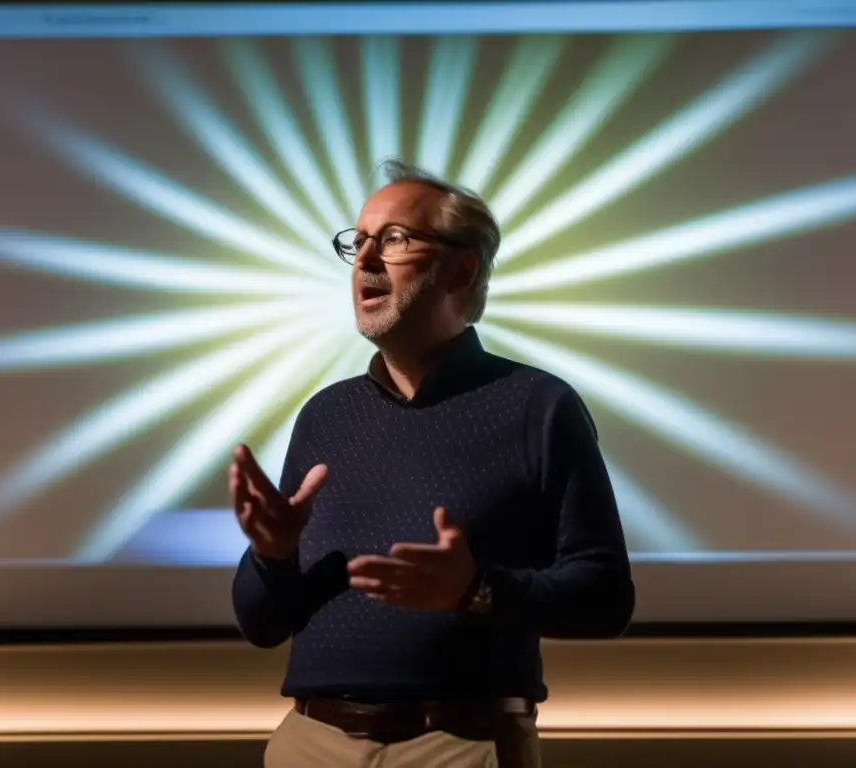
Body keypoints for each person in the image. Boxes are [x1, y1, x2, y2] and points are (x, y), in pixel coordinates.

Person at [230, 159, 634, 768]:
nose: (364, 261)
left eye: (393, 240)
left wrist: (476, 590)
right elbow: (262, 624)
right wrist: (273, 555)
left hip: (459, 744)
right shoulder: (327, 415)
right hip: (309, 742)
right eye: (357, 242)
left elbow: (605, 597)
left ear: (461, 268)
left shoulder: (538, 405)